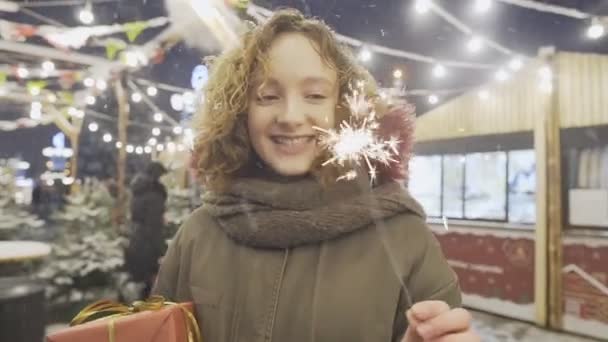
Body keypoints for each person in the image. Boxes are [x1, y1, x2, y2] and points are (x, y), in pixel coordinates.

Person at [154, 9, 479, 342]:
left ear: (345, 107)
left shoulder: (402, 239)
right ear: (241, 111)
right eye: (267, 96)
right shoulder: (198, 235)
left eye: (315, 95)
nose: (291, 116)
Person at [125, 161, 168, 299]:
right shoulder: (154, 196)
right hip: (148, 246)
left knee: (140, 282)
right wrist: (163, 250)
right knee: (150, 288)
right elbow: (153, 227)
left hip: (136, 240)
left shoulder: (138, 191)